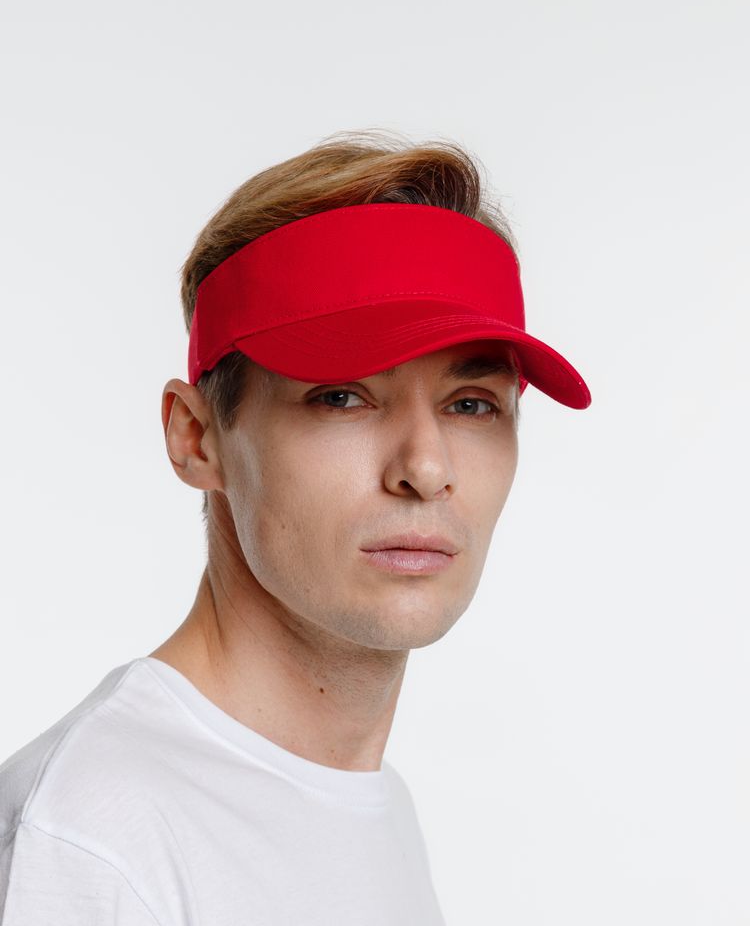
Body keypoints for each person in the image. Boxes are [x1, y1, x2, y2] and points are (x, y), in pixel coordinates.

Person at [0, 129, 591, 925]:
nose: (425, 467)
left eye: (472, 404)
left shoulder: (371, 809)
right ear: (197, 437)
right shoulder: (90, 842)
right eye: (342, 396)